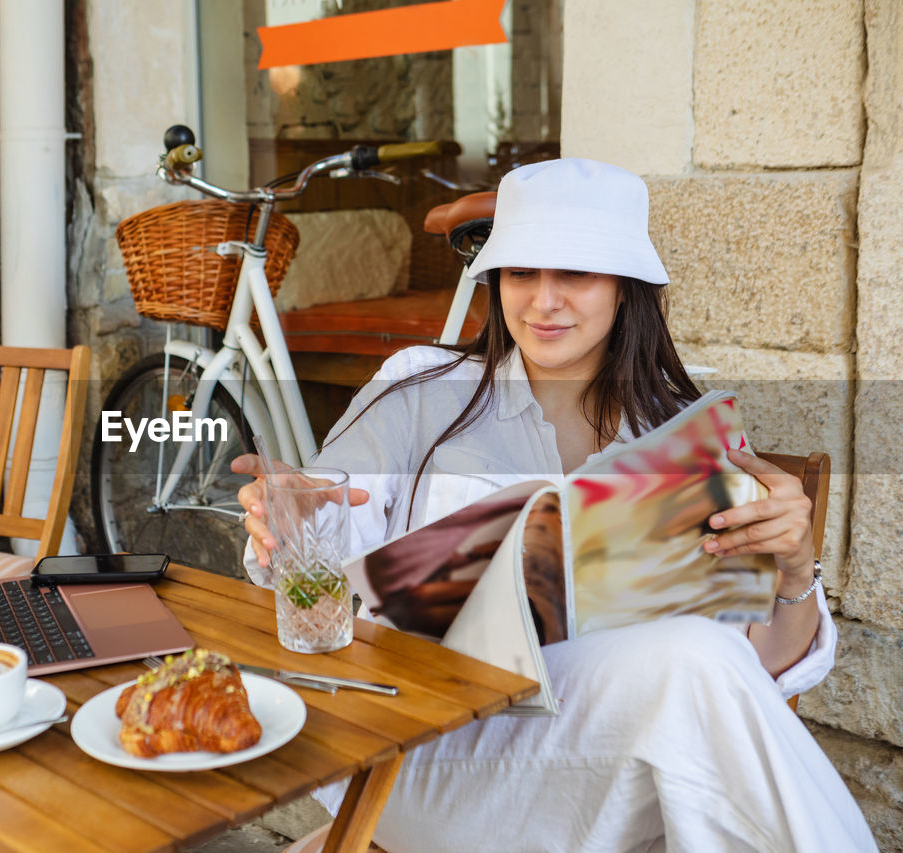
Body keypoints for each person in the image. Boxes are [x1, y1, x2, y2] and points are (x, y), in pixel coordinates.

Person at [232, 158, 876, 851]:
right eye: (521, 272)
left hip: (594, 768)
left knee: (700, 658)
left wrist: (791, 575)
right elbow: (323, 522)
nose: (542, 301)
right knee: (692, 671)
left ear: (628, 290)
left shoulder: (686, 437)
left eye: (575, 273)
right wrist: (292, 511)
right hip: (419, 750)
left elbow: (757, 676)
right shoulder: (422, 387)